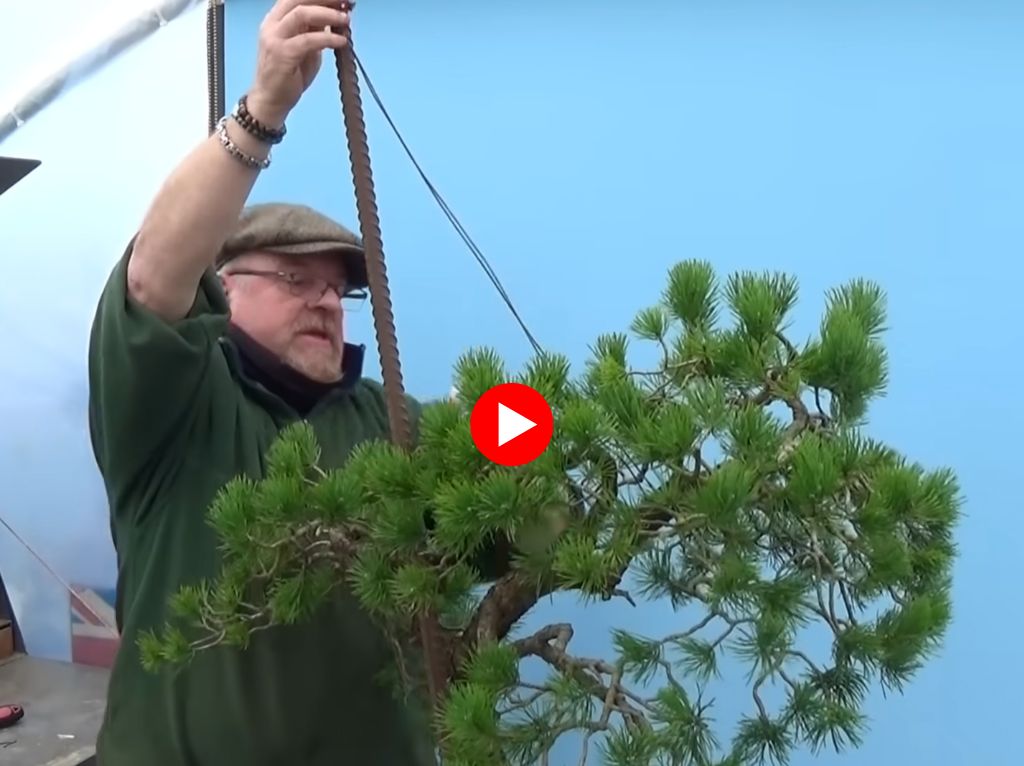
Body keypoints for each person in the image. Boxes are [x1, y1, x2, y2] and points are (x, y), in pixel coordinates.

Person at [87, 1, 446, 763]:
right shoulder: (173, 410)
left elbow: (500, 463)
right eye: (295, 277)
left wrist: (539, 432)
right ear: (225, 286)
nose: (324, 299)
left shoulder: (388, 422)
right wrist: (262, 111)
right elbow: (153, 278)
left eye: (337, 289)